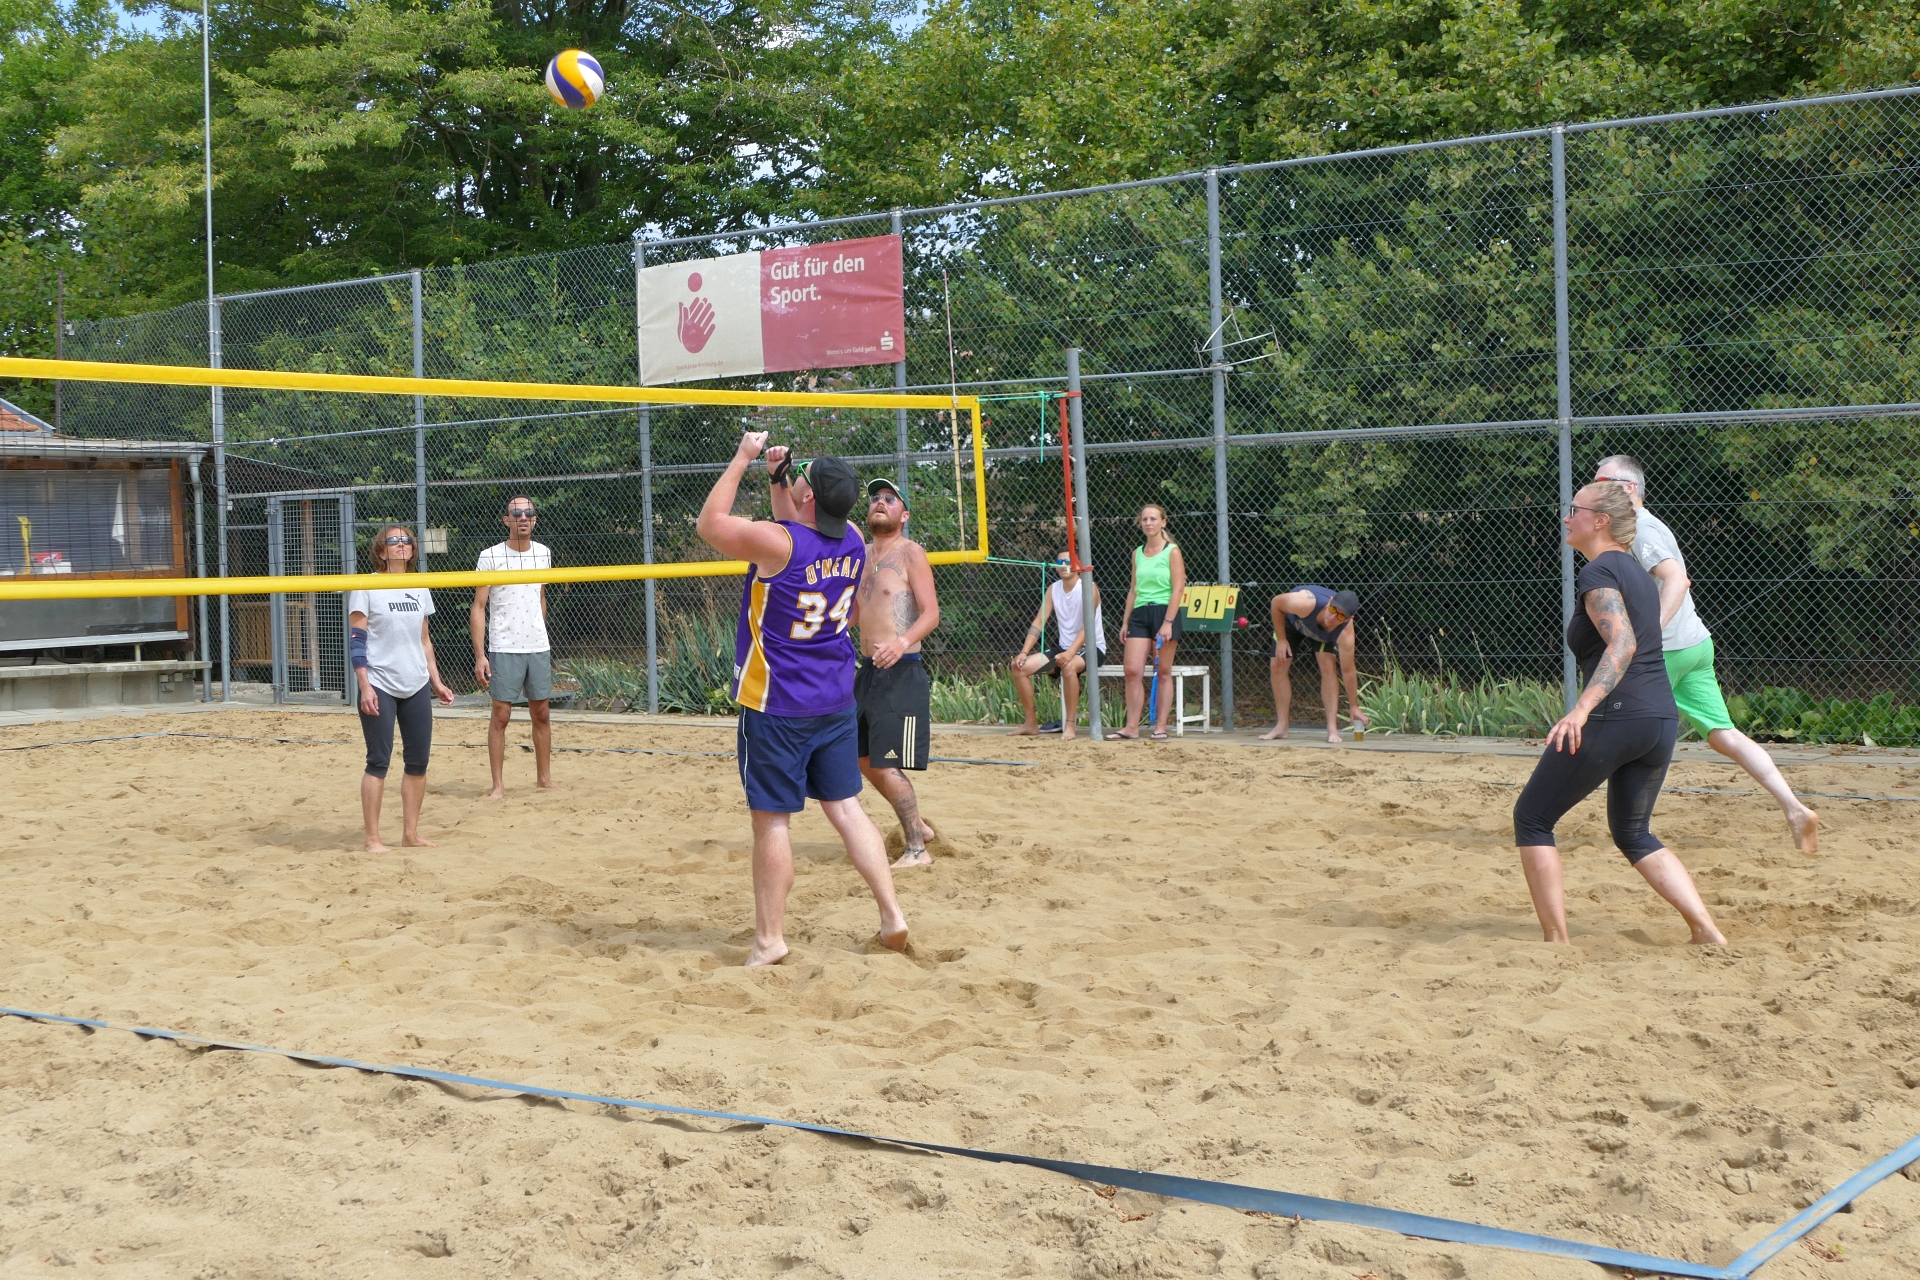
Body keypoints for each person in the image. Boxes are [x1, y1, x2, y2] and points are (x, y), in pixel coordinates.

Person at [694, 434, 909, 966]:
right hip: (833, 698)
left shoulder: (779, 544)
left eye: (801, 479)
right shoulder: (853, 538)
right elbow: (799, 527)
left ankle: (770, 940)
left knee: (772, 821)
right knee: (847, 809)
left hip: (777, 704)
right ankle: (892, 915)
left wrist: (743, 458)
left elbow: (710, 525)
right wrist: (779, 479)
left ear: (809, 496)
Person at [1512, 481, 1726, 946]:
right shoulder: (1636, 573)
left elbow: (1623, 642)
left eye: (1574, 509)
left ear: (1601, 521)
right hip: (1658, 720)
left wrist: (1581, 709)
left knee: (1532, 818)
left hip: (1617, 716)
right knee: (1633, 833)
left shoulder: (1600, 572)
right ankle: (1706, 930)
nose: (1566, 517)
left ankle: (1556, 942)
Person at [1594, 455, 1819, 853]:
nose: (1594, 490)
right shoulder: (1644, 525)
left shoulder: (1641, 529)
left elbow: (1677, 580)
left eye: (1602, 483)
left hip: (1665, 651)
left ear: (1628, 489)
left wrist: (1648, 634)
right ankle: (1795, 808)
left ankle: (1617, 823)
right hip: (1694, 644)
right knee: (1723, 734)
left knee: (1617, 729)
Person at [348, 524, 456, 853]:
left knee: (418, 762)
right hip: (380, 682)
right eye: (393, 541)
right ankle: (373, 839)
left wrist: (436, 681)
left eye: (406, 540)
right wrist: (365, 686)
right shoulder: (366, 585)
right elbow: (357, 641)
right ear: (381, 551)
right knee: (378, 761)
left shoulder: (419, 585)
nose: (401, 544)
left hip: (416, 683)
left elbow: (424, 641)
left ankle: (411, 834)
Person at [852, 477, 942, 869]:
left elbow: (932, 613)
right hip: (868, 671)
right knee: (862, 759)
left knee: (887, 762)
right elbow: (857, 611)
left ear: (904, 515)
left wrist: (901, 642)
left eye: (890, 499)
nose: (880, 502)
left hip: (901, 670)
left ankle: (917, 849)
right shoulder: (861, 555)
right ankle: (917, 825)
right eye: (876, 497)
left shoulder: (911, 552)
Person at [470, 495, 559, 798]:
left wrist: (538, 629)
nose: (523, 518)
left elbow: (540, 596)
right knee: (501, 715)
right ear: (506, 520)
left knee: (542, 713)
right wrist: (480, 655)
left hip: (537, 644)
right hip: (504, 644)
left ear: (535, 519)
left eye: (528, 513)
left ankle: (544, 779)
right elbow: (479, 607)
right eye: (516, 513)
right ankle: (498, 785)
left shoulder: (543, 553)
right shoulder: (490, 556)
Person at [1009, 551, 1104, 740]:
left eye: (1068, 561)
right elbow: (1039, 622)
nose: (1063, 564)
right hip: (1063, 648)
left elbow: (1087, 627)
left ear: (1077, 565)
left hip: (1091, 647)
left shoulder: (1089, 588)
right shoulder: (1053, 589)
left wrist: (1070, 653)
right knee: (1018, 667)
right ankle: (1031, 724)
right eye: (1060, 561)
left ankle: (1070, 725)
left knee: (1068, 667)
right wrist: (1024, 652)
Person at [1260, 587, 1369, 743]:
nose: (1333, 617)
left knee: (1328, 665)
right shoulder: (1305, 603)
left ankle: (1332, 729)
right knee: (1278, 663)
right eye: (1333, 609)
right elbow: (1276, 603)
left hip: (1323, 635)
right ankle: (1282, 726)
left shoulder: (1345, 633)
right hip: (1292, 622)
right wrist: (1282, 640)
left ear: (1348, 619)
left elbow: (1348, 670)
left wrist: (1354, 705)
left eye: (1340, 616)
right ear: (1330, 602)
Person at [1114, 503, 1184, 740]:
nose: (1148, 523)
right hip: (1140, 613)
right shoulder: (1137, 553)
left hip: (1165, 613)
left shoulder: (1172, 551)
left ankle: (1160, 726)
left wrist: (1168, 622)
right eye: (1145, 519)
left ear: (1163, 522)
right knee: (1132, 671)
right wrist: (1125, 622)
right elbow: (1133, 589)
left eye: (1153, 518)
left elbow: (1178, 589)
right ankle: (1131, 727)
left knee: (1162, 671)